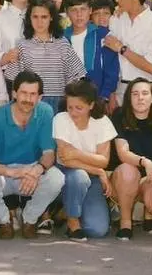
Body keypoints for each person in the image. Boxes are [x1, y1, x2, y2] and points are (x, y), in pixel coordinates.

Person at [0, 71, 65, 239]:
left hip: (31, 172)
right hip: (3, 173)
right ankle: (4, 220)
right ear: (14, 93)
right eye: (23, 93)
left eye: (33, 94)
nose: (28, 99)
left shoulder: (45, 112)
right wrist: (10, 172)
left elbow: (49, 153)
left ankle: (30, 219)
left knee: (57, 178)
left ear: (40, 97)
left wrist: (37, 170)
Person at [53, 79, 116, 240]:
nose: (73, 113)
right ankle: (73, 223)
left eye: (79, 108)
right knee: (79, 176)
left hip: (92, 177)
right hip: (66, 174)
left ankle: (66, 211)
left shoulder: (103, 121)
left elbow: (104, 160)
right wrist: (98, 170)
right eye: (70, 107)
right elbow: (65, 160)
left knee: (97, 230)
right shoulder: (61, 118)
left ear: (91, 105)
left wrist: (76, 153)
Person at [110, 78, 152, 241]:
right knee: (128, 171)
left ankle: (149, 214)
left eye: (145, 93)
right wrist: (145, 161)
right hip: (122, 179)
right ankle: (125, 222)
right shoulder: (119, 116)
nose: (140, 98)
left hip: (148, 179)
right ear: (128, 98)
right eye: (135, 94)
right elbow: (123, 153)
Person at [10, 0, 86, 111]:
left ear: (51, 17)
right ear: (29, 18)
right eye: (35, 17)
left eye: (44, 17)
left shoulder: (63, 43)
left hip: (60, 102)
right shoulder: (21, 45)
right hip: (31, 102)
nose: (39, 22)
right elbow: (15, 80)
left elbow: (77, 75)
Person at [106, 0, 152, 113]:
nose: (116, 0)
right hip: (120, 91)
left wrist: (122, 49)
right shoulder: (116, 19)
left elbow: (151, 67)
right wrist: (111, 93)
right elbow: (109, 57)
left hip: (149, 91)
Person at [63, 0, 119, 111]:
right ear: (67, 12)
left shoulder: (103, 35)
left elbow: (111, 69)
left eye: (83, 9)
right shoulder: (62, 38)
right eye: (74, 10)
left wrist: (105, 96)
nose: (79, 14)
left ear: (90, 10)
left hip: (97, 99)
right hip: (69, 100)